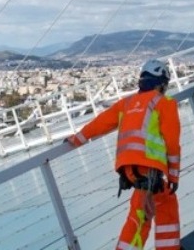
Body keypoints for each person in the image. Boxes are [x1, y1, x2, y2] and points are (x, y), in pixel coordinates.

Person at [66, 59, 182, 250]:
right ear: (162, 83)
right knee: (141, 217)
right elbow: (172, 144)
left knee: (163, 202)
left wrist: (77, 138)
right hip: (150, 168)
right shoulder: (165, 103)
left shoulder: (126, 103)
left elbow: (100, 123)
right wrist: (174, 175)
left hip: (128, 168)